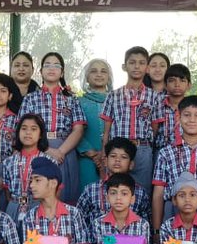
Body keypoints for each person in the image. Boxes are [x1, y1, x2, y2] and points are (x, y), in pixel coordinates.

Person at [9, 157, 95, 244]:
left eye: (37, 180)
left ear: (53, 183)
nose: (31, 185)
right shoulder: (31, 216)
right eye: (31, 180)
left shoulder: (73, 213)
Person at [18, 52, 85, 204]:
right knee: (39, 196)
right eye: (47, 65)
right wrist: (46, 149)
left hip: (65, 150)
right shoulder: (30, 98)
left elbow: (78, 129)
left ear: (62, 72)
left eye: (56, 65)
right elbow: (22, 129)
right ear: (40, 71)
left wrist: (60, 151)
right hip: (38, 148)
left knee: (66, 196)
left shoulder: (71, 99)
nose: (51, 68)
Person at [151, 94, 197, 229]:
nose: (192, 120)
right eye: (187, 115)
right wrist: (156, 230)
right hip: (173, 208)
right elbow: (158, 193)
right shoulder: (166, 152)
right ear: (179, 118)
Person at [101, 46, 165, 190]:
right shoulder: (113, 95)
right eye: (132, 62)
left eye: (142, 63)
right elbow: (107, 130)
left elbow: (154, 127)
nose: (137, 66)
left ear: (147, 68)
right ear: (124, 66)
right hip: (118, 149)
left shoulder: (154, 96)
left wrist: (144, 144)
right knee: (115, 188)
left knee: (143, 191)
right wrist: (105, 152)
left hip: (142, 149)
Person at [76, 137, 151, 226]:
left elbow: (145, 224)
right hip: (97, 239)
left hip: (130, 239)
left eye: (123, 157)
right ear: (106, 161)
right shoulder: (90, 190)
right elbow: (79, 221)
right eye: (113, 156)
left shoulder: (139, 193)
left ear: (131, 164)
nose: (117, 160)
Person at [1, 112, 49, 221]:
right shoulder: (8, 162)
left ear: (41, 134)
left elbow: (54, 191)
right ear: (18, 133)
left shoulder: (48, 161)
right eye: (24, 128)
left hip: (38, 207)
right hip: (13, 207)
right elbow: (7, 192)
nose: (28, 133)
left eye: (33, 129)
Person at [76, 58, 112, 193]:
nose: (99, 74)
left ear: (109, 78)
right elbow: (74, 129)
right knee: (87, 195)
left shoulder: (116, 101)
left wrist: (106, 154)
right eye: (93, 71)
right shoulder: (78, 102)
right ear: (86, 77)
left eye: (103, 71)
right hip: (86, 159)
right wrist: (92, 154)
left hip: (112, 158)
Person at [156, 63, 193, 151]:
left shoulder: (193, 107)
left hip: (187, 151)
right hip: (162, 150)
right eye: (172, 80)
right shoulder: (158, 106)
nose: (177, 84)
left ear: (189, 85)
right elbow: (154, 131)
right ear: (165, 85)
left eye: (182, 80)